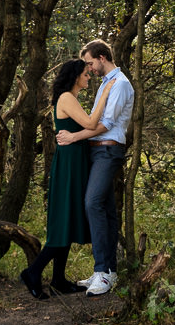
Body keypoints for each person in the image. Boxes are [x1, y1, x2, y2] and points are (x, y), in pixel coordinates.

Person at [19, 56, 111, 299]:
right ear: (75, 76)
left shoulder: (72, 98)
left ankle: (58, 279)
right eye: (85, 74)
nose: (89, 77)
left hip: (75, 160)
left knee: (68, 220)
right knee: (63, 224)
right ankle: (32, 272)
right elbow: (92, 123)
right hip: (69, 164)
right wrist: (107, 91)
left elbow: (85, 128)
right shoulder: (67, 98)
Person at [56, 38, 132, 296]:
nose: (88, 69)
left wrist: (74, 137)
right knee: (106, 210)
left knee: (92, 203)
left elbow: (106, 124)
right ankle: (108, 271)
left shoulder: (119, 85)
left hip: (108, 150)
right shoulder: (105, 85)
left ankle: (102, 271)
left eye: (89, 63)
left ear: (101, 57)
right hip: (97, 151)